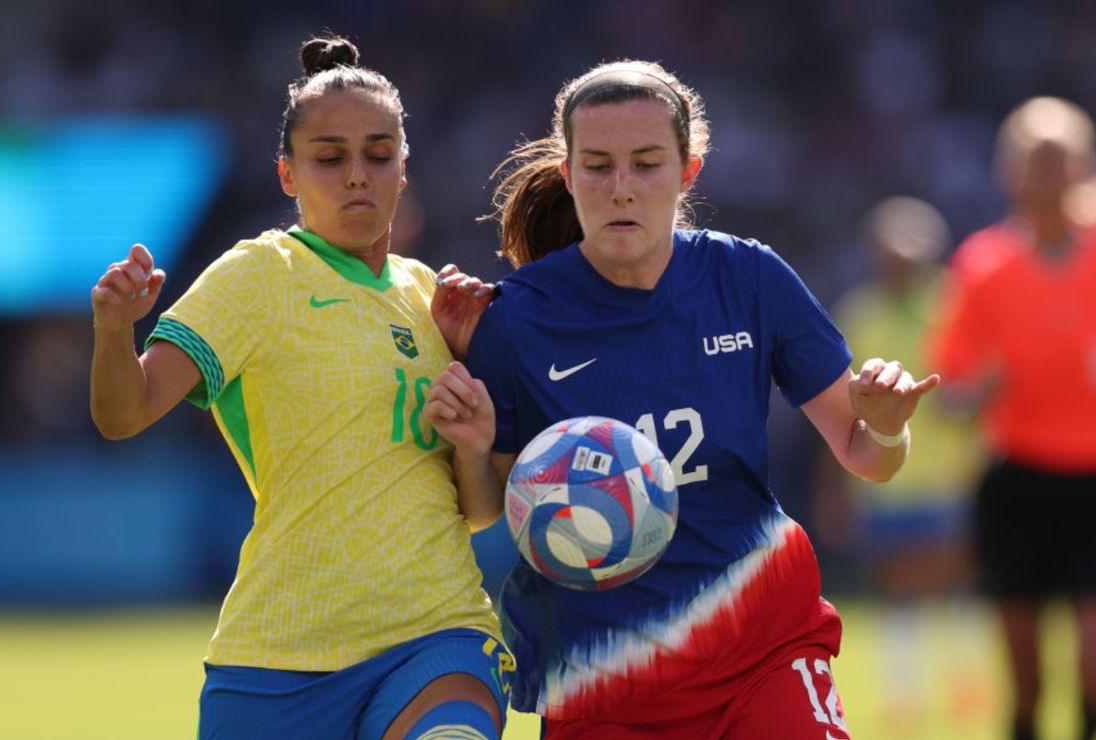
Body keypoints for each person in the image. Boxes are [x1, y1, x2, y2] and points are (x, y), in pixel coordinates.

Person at [424, 59, 939, 739]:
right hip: (602, 676)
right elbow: (489, 510)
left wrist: (889, 428)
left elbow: (866, 455)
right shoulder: (515, 321)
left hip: (763, 649)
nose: (621, 188)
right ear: (570, 171)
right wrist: (473, 446)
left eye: (646, 164)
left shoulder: (748, 277)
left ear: (688, 170)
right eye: (598, 166)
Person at [89, 35, 512, 740]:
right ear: (288, 175)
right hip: (279, 655)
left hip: (438, 635)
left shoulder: (434, 300)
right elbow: (123, 414)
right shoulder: (258, 276)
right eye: (329, 158)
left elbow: (477, 512)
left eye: (379, 155)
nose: (357, 176)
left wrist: (474, 443)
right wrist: (112, 328)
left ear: (404, 169)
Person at [929, 96, 1096, 740]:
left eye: (1059, 159)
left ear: (1082, 165)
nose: (1048, 175)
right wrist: (980, 391)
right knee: (1025, 676)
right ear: (1010, 173)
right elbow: (952, 392)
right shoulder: (983, 267)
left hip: (1093, 482)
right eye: (1035, 160)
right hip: (1019, 480)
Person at [823, 196, 987, 732]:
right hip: (886, 482)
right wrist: (838, 487)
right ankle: (905, 692)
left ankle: (968, 685)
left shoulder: (955, 305)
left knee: (956, 582)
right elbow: (840, 404)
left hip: (949, 477)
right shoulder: (860, 314)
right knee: (897, 587)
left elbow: (981, 383)